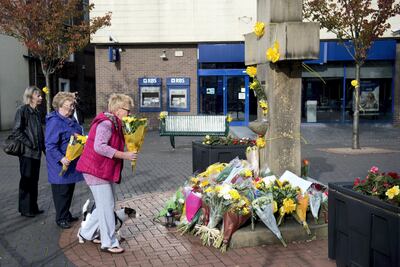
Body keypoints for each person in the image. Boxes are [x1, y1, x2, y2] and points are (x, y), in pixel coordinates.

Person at [76, 93, 137, 254]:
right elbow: (100, 147)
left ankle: (87, 232)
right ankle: (108, 242)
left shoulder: (114, 122)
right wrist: (124, 155)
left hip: (101, 169)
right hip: (96, 170)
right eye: (127, 110)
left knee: (105, 205)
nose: (129, 113)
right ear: (117, 110)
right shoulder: (106, 124)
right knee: (107, 206)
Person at [45, 92, 84, 229]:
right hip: (60, 164)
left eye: (73, 105)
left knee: (68, 190)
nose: (72, 108)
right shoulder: (54, 121)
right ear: (60, 105)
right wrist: (61, 158)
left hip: (71, 162)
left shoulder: (70, 119)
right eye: (70, 105)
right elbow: (50, 145)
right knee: (61, 192)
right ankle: (60, 218)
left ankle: (66, 214)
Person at [13, 86, 45, 217]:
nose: (41, 98)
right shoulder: (22, 110)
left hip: (36, 153)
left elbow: (39, 133)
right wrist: (30, 143)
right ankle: (25, 209)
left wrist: (44, 149)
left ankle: (33, 207)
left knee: (34, 180)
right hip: (26, 153)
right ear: (30, 96)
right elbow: (16, 131)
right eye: (38, 95)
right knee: (26, 181)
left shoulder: (36, 111)